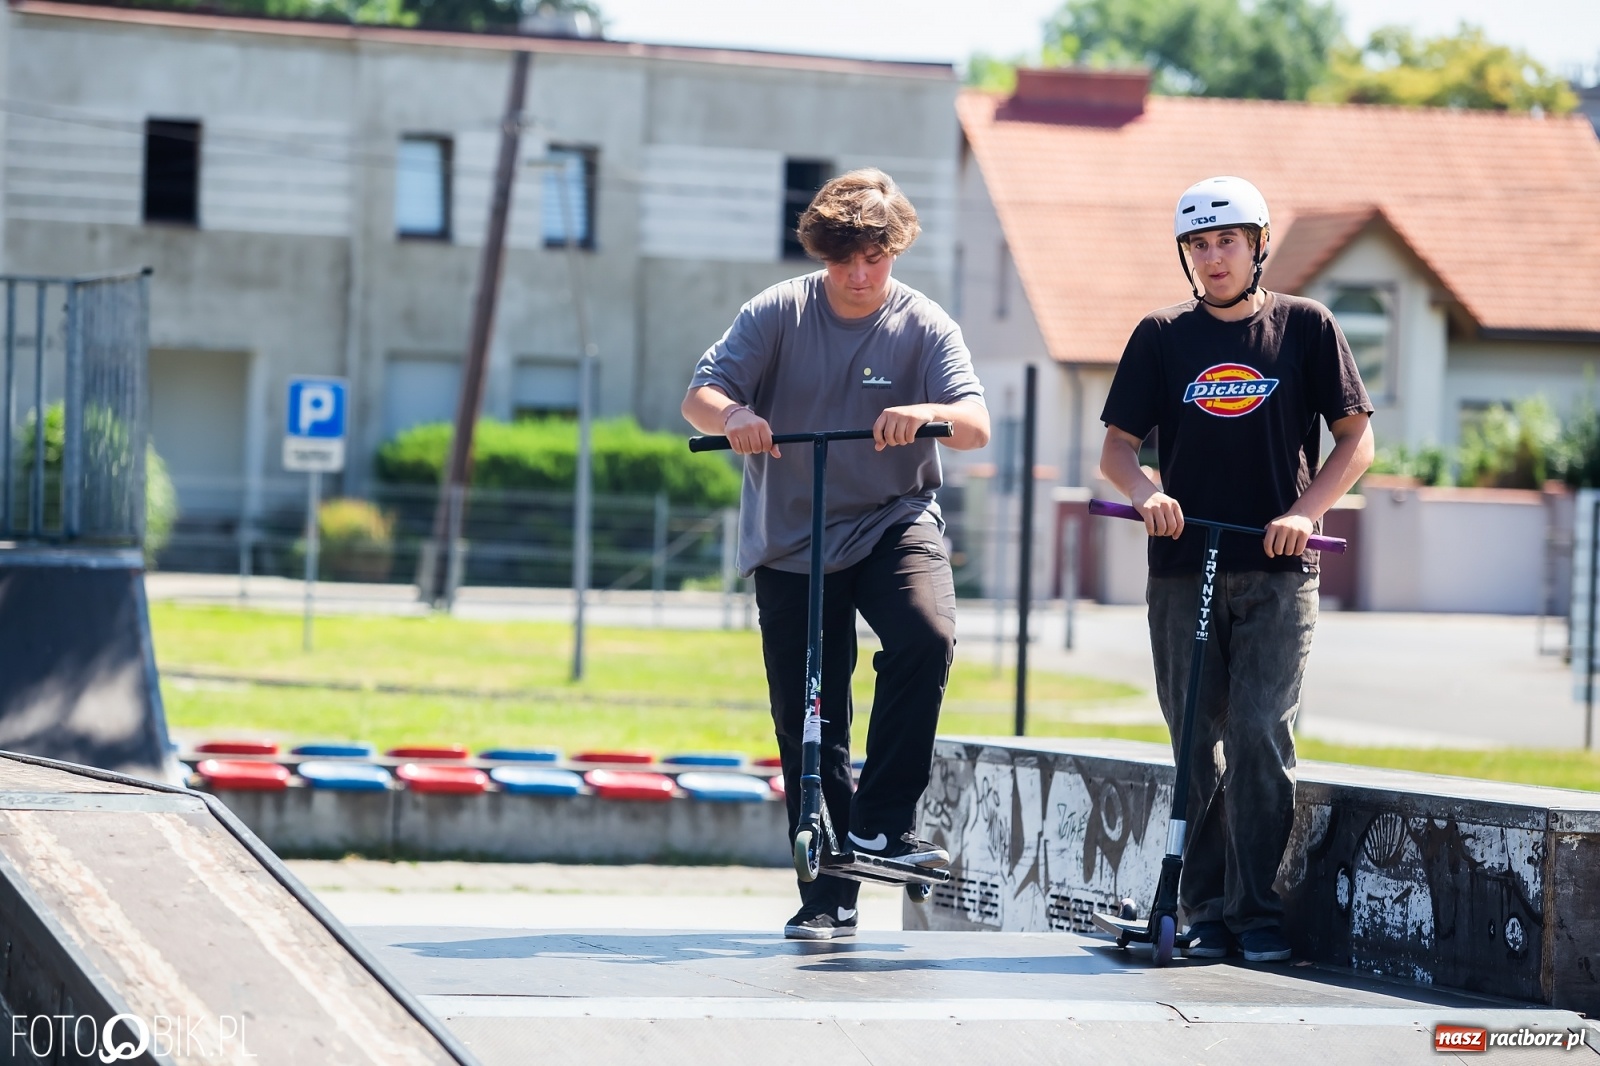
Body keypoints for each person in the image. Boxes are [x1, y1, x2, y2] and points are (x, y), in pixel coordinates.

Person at [681, 168, 990, 940]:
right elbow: (700, 396)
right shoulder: (778, 311)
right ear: (823, 254)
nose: (858, 276)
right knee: (810, 714)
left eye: (875, 258)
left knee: (926, 636)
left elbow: (976, 423)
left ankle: (882, 826)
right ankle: (828, 893)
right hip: (793, 536)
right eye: (843, 259)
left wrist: (927, 413)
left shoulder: (925, 326)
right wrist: (738, 416)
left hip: (893, 520)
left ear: (897, 250)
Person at [1097, 175, 1375, 963]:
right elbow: (1117, 450)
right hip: (1184, 567)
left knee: (1258, 733)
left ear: (1257, 248)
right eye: (1198, 245)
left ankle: (1255, 911)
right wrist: (1148, 493)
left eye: (1227, 242)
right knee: (1197, 744)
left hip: (1278, 570)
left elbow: (1356, 440)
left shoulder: (1307, 329)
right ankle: (1203, 909)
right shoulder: (1160, 336)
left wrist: (1305, 511)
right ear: (1185, 256)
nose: (1213, 259)